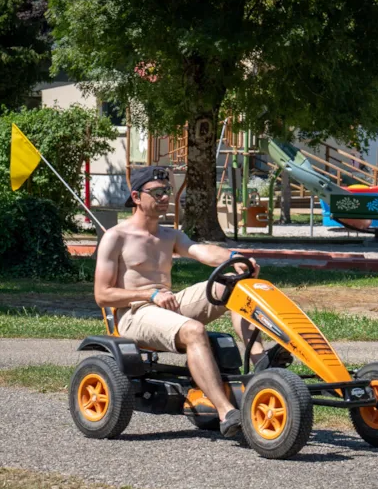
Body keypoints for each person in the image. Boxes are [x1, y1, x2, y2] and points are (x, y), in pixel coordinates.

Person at [94, 166, 263, 438]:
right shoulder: (116, 237)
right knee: (194, 330)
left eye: (167, 192)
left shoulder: (169, 235)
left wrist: (235, 257)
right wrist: (148, 294)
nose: (165, 198)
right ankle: (226, 413)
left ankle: (261, 361)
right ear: (137, 197)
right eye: (158, 192)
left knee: (235, 285)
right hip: (135, 313)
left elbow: (202, 252)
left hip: (167, 304)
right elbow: (102, 295)